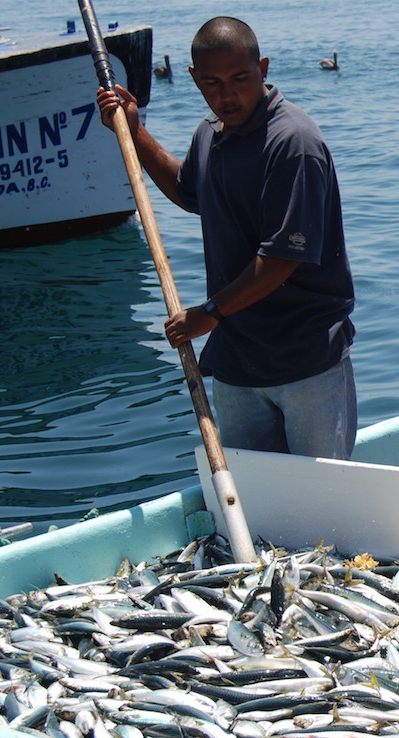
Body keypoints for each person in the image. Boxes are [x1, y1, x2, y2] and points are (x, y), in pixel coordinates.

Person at [97, 17, 357, 460]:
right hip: (238, 362)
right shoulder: (210, 133)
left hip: (306, 361)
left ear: (264, 69)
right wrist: (135, 133)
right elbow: (187, 190)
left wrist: (209, 313)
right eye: (213, 83)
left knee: (322, 504)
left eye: (240, 79)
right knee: (255, 501)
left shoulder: (292, 142)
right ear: (194, 78)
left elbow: (280, 259)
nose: (226, 95)